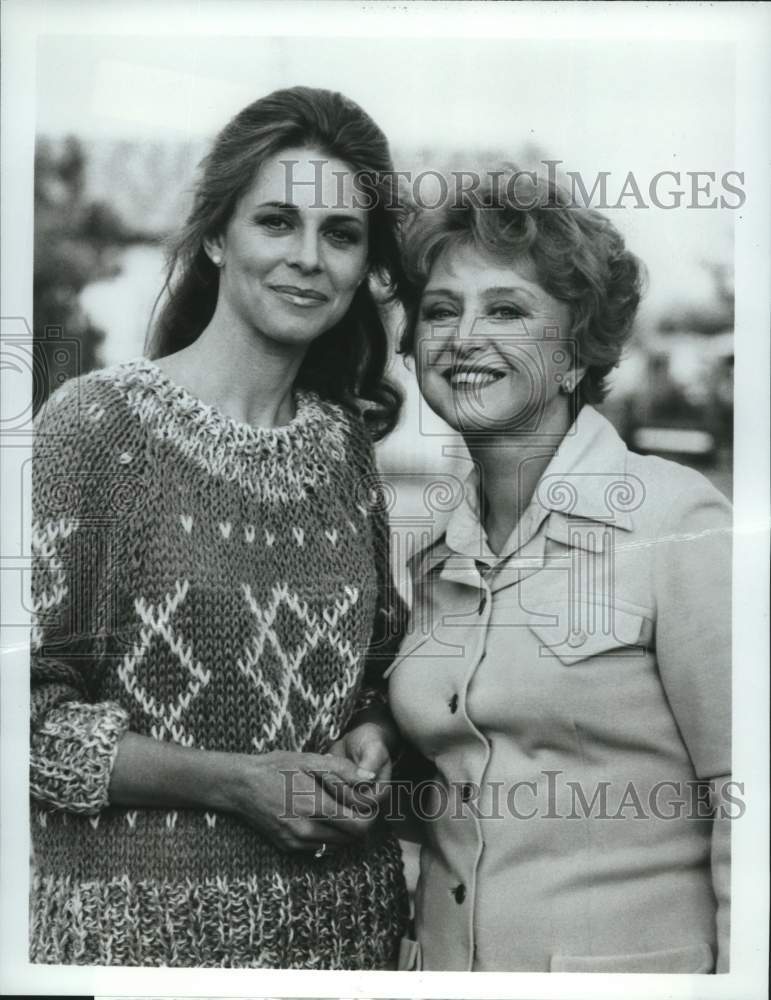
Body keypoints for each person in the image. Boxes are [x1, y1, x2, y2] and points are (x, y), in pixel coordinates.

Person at [29, 86, 410, 968]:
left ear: (362, 265)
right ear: (215, 236)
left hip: (345, 942)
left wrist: (375, 735)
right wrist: (235, 784)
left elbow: (374, 677)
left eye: (340, 234)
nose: (308, 258)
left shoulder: (344, 447)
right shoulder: (94, 428)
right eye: (277, 221)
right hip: (136, 949)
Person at [387, 169, 732, 972]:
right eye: (440, 310)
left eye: (505, 309)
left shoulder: (675, 522)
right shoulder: (436, 553)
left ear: (577, 350)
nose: (463, 336)